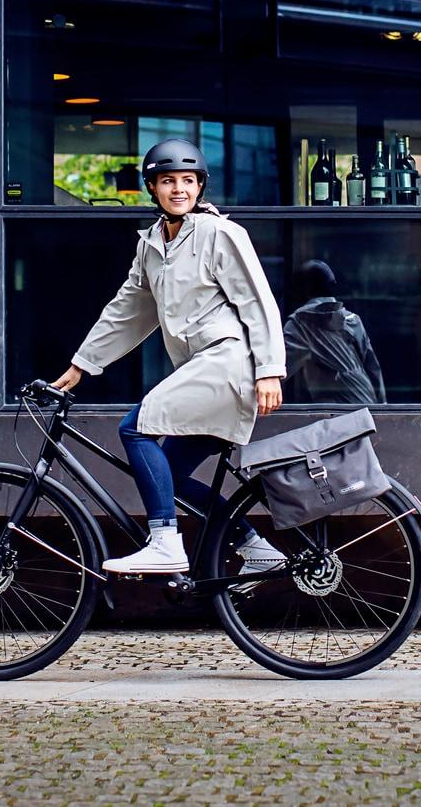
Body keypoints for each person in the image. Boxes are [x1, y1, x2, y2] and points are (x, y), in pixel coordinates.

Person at [51, 138, 290, 575]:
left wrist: (270, 371)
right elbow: (129, 310)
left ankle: (164, 540)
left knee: (135, 428)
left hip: (228, 363)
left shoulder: (220, 233)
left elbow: (258, 302)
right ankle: (254, 547)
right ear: (152, 188)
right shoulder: (152, 244)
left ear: (200, 187)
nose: (179, 189)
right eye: (168, 181)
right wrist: (81, 364)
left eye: (188, 181)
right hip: (203, 373)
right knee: (172, 479)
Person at [282, 260, 386, 404]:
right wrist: (382, 407)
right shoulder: (352, 319)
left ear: (301, 289)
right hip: (366, 400)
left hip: (335, 412)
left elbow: (279, 370)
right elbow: (373, 368)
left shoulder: (299, 324)